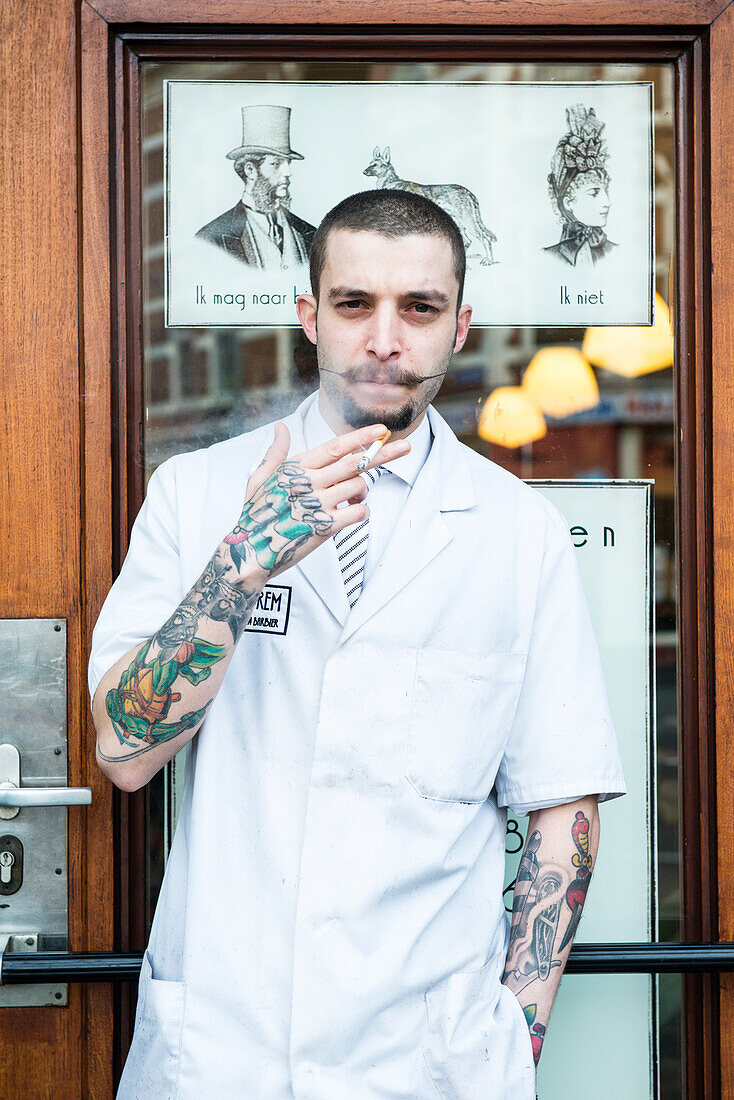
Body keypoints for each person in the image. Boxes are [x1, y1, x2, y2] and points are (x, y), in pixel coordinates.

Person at [90, 188, 625, 1099]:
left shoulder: (517, 531)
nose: (385, 338)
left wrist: (509, 1037)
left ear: (460, 326)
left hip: (430, 1059)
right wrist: (242, 562)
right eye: (354, 305)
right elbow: (122, 751)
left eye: (417, 308)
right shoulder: (198, 492)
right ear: (310, 317)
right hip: (226, 1045)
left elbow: (561, 805)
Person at [196, 104, 316, 270]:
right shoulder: (211, 239)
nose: (287, 172)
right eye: (276, 164)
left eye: (288, 163)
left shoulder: (310, 234)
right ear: (250, 170)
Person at [543, 103, 618, 268]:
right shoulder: (547, 259)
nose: (607, 202)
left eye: (606, 191)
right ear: (568, 202)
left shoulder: (616, 254)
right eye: (594, 193)